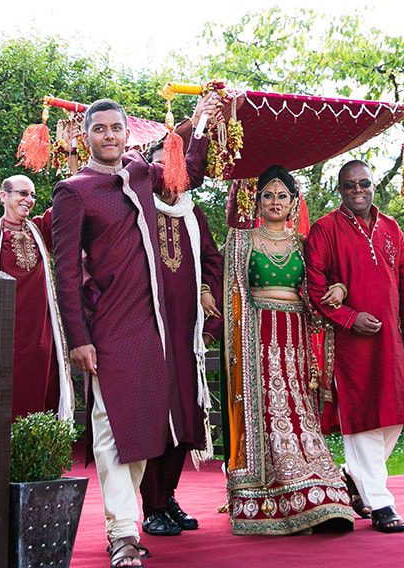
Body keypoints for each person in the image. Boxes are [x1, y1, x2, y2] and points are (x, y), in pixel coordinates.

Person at [52, 96, 211, 568]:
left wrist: (201, 119)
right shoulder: (73, 192)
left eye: (115, 128)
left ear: (127, 133)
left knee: (142, 428)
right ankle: (122, 534)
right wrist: (78, 338)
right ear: (87, 136)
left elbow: (189, 175)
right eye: (98, 129)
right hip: (108, 330)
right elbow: (64, 275)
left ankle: (128, 519)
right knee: (109, 427)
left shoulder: (142, 174)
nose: (108, 136)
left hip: (155, 327)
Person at [222, 165, 354, 536]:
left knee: (297, 409)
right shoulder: (240, 241)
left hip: (294, 338)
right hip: (254, 338)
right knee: (262, 410)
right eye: (268, 195)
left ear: (294, 202)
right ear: (258, 201)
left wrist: (340, 288)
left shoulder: (303, 244)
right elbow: (232, 291)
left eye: (282, 196)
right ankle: (264, 497)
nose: (275, 202)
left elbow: (320, 281)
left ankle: (317, 492)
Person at [305, 159, 404, 534]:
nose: (358, 190)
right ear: (339, 190)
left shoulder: (391, 227)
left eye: (364, 184)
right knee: (363, 418)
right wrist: (349, 318)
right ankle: (381, 503)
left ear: (374, 186)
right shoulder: (324, 230)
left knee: (395, 417)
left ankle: (353, 478)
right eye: (349, 185)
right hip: (349, 343)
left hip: (390, 339)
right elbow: (313, 286)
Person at [138, 140, 224, 537]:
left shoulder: (194, 215)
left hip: (185, 333)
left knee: (184, 416)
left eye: (174, 168)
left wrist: (207, 287)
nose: (167, 177)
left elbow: (212, 260)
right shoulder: (137, 213)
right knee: (154, 416)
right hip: (148, 331)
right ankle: (150, 504)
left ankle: (167, 495)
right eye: (159, 167)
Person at [0, 174, 73, 421]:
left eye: (32, 195)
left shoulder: (40, 232)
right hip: (3, 343)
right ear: (4, 196)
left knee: (41, 409)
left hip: (41, 341)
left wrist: (72, 150)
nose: (29, 199)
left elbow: (68, 199)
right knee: (3, 408)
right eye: (23, 193)